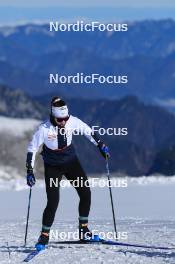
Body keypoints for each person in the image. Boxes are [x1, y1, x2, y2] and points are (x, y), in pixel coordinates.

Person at [26, 96, 109, 247]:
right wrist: (29, 171)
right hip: (53, 166)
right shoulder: (44, 129)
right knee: (53, 201)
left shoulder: (72, 121)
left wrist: (100, 145)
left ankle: (83, 230)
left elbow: (88, 131)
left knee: (85, 193)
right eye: (59, 119)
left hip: (71, 162)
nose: (63, 122)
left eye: (65, 118)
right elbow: (32, 149)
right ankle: (44, 235)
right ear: (52, 116)